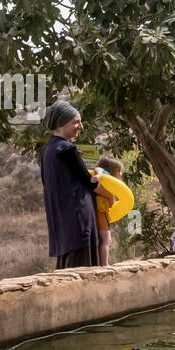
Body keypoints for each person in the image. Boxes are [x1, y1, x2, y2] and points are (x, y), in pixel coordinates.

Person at [40, 101, 112, 268]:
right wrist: (109, 195)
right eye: (76, 122)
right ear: (61, 124)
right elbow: (89, 183)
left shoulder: (48, 149)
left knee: (67, 268)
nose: (81, 126)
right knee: (82, 268)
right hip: (78, 217)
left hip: (61, 219)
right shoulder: (66, 150)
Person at [93, 155, 124, 267]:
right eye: (119, 171)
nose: (121, 174)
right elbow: (98, 169)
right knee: (106, 238)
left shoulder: (110, 185)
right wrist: (98, 176)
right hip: (100, 211)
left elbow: (111, 203)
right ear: (112, 171)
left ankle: (103, 263)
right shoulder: (103, 177)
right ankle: (104, 264)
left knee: (105, 239)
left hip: (102, 211)